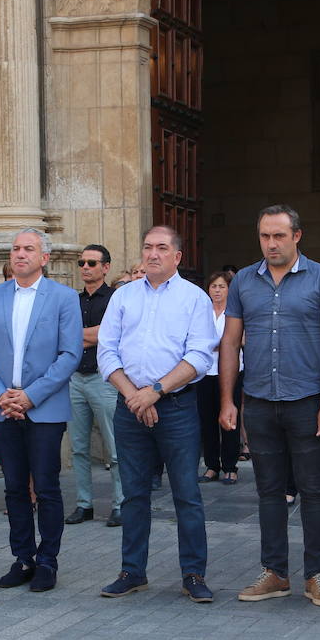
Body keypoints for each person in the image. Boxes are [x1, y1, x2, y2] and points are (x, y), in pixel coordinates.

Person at [219, 205, 320, 607]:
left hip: (306, 401)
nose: (271, 243)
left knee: (312, 491)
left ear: (297, 236)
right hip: (258, 400)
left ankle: (317, 575)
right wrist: (227, 400)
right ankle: (275, 572)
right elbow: (229, 342)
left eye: (278, 235)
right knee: (268, 491)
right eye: (264, 236)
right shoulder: (243, 280)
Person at [97, 225, 216, 603]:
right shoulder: (123, 297)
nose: (152, 254)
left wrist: (155, 392)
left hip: (177, 408)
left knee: (186, 494)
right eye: (148, 247)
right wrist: (135, 396)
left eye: (162, 248)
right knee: (133, 495)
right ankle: (132, 571)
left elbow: (199, 356)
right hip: (129, 407)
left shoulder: (194, 299)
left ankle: (193, 574)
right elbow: (107, 351)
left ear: (177, 257)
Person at [0, 228, 83, 593]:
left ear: (44, 257)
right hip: (3, 408)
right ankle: (23, 558)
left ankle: (48, 561)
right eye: (16, 248)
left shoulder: (63, 298)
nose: (20, 254)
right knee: (14, 489)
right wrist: (0, 394)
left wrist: (31, 396)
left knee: (47, 488)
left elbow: (69, 354)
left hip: (44, 408)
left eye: (28, 249)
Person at [66, 244, 124, 528]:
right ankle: (84, 504)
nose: (85, 268)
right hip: (75, 378)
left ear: (106, 267)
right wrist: (90, 335)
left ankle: (121, 504)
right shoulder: (72, 301)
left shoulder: (116, 299)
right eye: (81, 263)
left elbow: (109, 334)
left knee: (114, 447)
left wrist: (82, 336)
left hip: (104, 378)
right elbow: (63, 336)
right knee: (78, 447)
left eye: (91, 263)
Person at [197, 271, 242, 486]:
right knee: (207, 421)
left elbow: (240, 340)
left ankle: (230, 467)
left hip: (232, 372)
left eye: (221, 286)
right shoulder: (202, 311)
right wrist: (221, 344)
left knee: (230, 419)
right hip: (205, 372)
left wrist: (218, 345)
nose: (216, 290)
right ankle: (212, 465)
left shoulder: (236, 312)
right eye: (213, 286)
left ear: (229, 289)